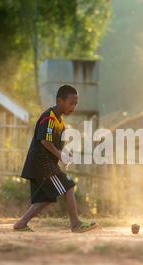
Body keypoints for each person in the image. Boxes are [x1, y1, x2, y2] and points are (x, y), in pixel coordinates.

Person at [14, 85, 97, 233]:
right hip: (42, 163)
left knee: (47, 197)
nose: (74, 107)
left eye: (76, 104)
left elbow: (55, 144)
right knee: (68, 185)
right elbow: (45, 141)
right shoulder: (49, 117)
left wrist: (64, 153)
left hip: (43, 163)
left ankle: (21, 223)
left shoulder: (60, 122)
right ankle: (75, 224)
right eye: (71, 103)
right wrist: (60, 155)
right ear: (60, 101)